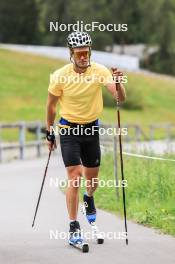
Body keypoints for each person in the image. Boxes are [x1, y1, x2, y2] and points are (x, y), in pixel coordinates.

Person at [46, 31, 126, 245]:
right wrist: (49, 131)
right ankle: (73, 226)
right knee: (74, 176)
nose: (84, 57)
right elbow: (51, 106)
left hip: (91, 130)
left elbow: (119, 97)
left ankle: (88, 197)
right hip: (69, 130)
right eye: (79, 53)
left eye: (86, 52)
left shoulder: (99, 71)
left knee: (92, 181)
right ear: (71, 53)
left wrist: (119, 83)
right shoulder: (60, 76)